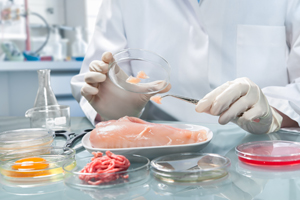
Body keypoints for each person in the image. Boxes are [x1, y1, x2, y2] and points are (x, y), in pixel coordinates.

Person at [71, 0, 300, 134]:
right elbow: (94, 76)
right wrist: (116, 111)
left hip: (264, 154)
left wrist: (274, 113)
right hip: (158, 159)